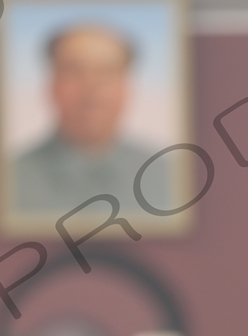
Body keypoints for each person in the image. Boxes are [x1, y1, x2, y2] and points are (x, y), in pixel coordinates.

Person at [10, 24, 158, 214]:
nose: (90, 86)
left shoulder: (168, 175)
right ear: (52, 84)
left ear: (127, 87)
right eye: (74, 71)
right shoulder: (10, 177)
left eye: (106, 72)